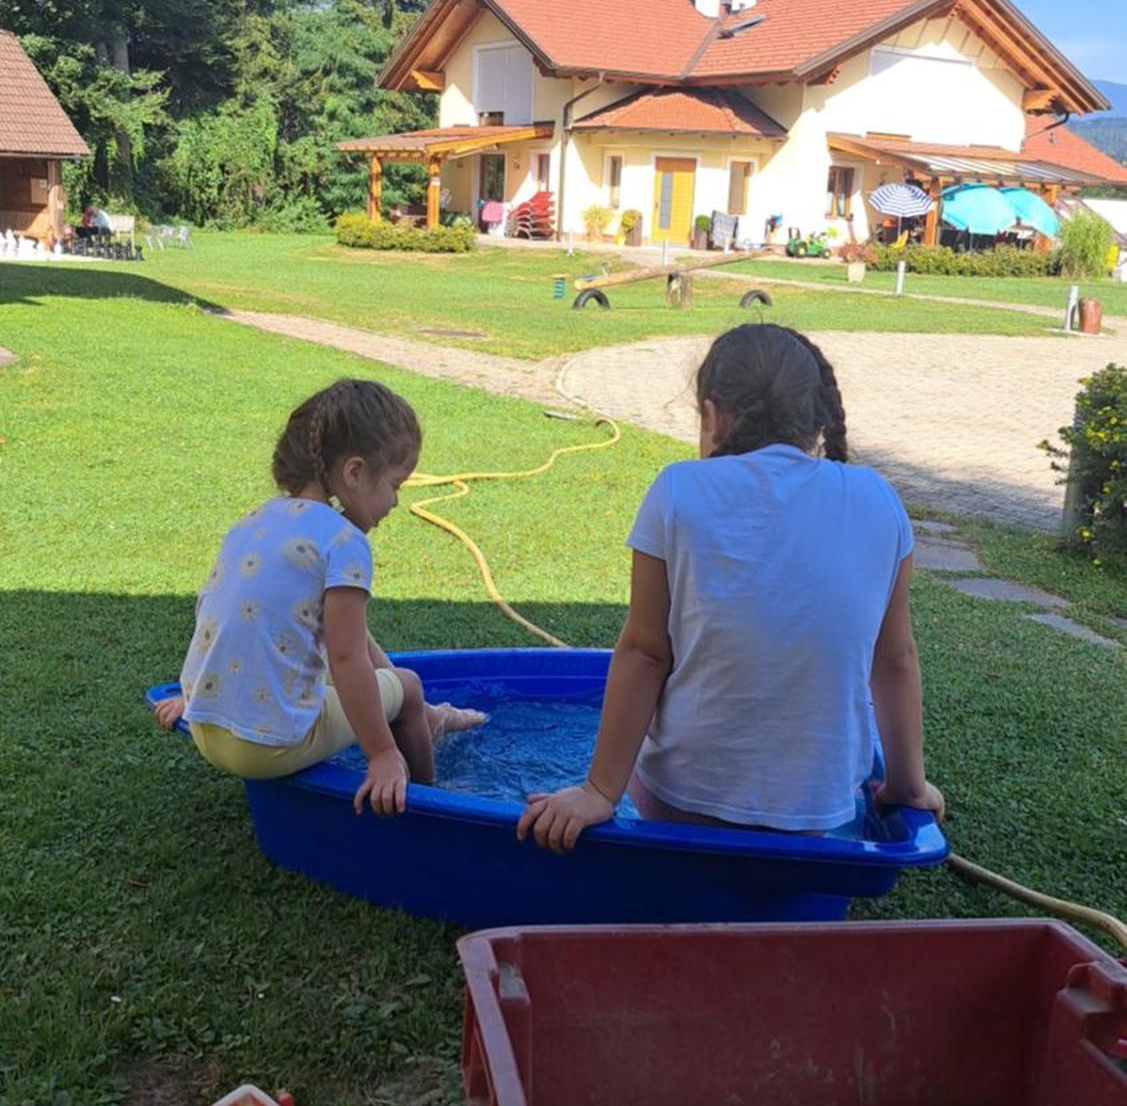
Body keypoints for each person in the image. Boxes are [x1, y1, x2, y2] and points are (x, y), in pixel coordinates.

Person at [518, 324, 943, 851]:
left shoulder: (678, 489)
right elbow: (894, 658)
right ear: (817, 419)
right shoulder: (878, 499)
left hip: (681, 802)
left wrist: (599, 790)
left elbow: (646, 653)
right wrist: (906, 786)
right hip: (817, 808)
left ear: (712, 415)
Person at [155, 378, 483, 813]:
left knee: (349, 642)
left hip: (204, 725)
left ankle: (430, 715)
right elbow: (346, 661)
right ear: (354, 472)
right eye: (396, 486)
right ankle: (429, 798)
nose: (395, 503)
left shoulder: (257, 520)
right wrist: (381, 754)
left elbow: (221, 613)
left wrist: (196, 696)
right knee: (407, 687)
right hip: (267, 747)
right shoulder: (343, 540)